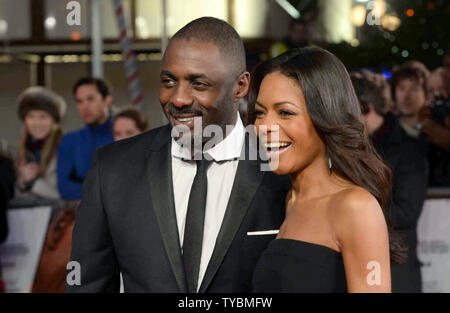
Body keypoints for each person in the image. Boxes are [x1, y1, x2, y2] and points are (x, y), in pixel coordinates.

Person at [66, 17, 290, 293]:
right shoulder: (112, 170)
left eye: (198, 84)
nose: (179, 99)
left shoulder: (280, 168)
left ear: (240, 86)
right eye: (168, 81)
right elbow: (86, 285)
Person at [249, 48, 406, 293]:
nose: (264, 127)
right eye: (260, 113)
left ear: (326, 116)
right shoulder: (287, 201)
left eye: (285, 113)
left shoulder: (355, 207)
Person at [352, 72, 427, 292]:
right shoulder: (352, 148)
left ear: (366, 108)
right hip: (359, 268)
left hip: (396, 272)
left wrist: (352, 214)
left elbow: (407, 211)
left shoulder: (408, 151)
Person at [57, 77, 114, 200]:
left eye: (90, 99)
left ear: (107, 100)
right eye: (79, 101)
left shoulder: (123, 134)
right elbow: (64, 188)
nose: (85, 107)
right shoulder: (70, 140)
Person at [16, 87, 65, 200]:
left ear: (54, 120)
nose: (36, 123)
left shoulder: (65, 148)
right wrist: (22, 181)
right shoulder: (23, 151)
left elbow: (65, 195)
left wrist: (32, 183)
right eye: (31, 116)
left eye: (43, 116)